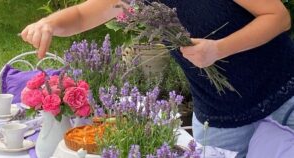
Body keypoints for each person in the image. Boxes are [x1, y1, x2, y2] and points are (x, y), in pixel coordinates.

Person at [21, 0, 294, 157]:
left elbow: (278, 17)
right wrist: (50, 24)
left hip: (284, 96)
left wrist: (218, 49)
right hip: (220, 119)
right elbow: (82, 15)